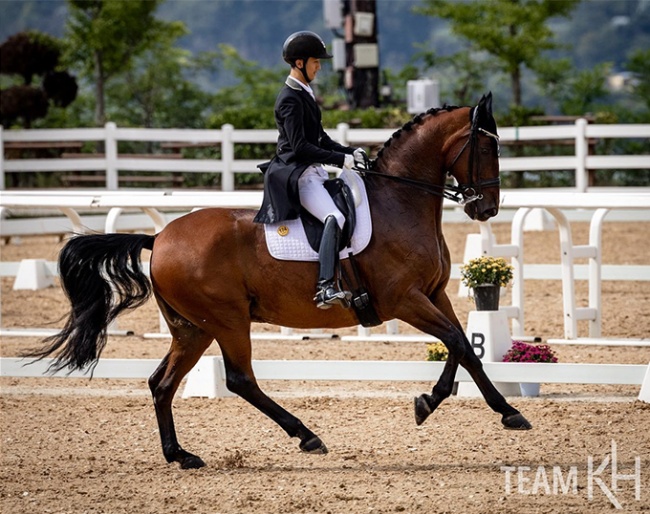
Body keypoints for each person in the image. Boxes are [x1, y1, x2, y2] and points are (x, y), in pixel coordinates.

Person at [254, 31, 367, 309]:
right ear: (300, 63)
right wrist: (341, 162)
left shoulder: (304, 93)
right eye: (316, 61)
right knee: (334, 217)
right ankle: (325, 287)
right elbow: (301, 147)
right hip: (297, 174)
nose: (319, 66)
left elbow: (321, 139)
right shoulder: (289, 98)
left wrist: (350, 152)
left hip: (313, 171)